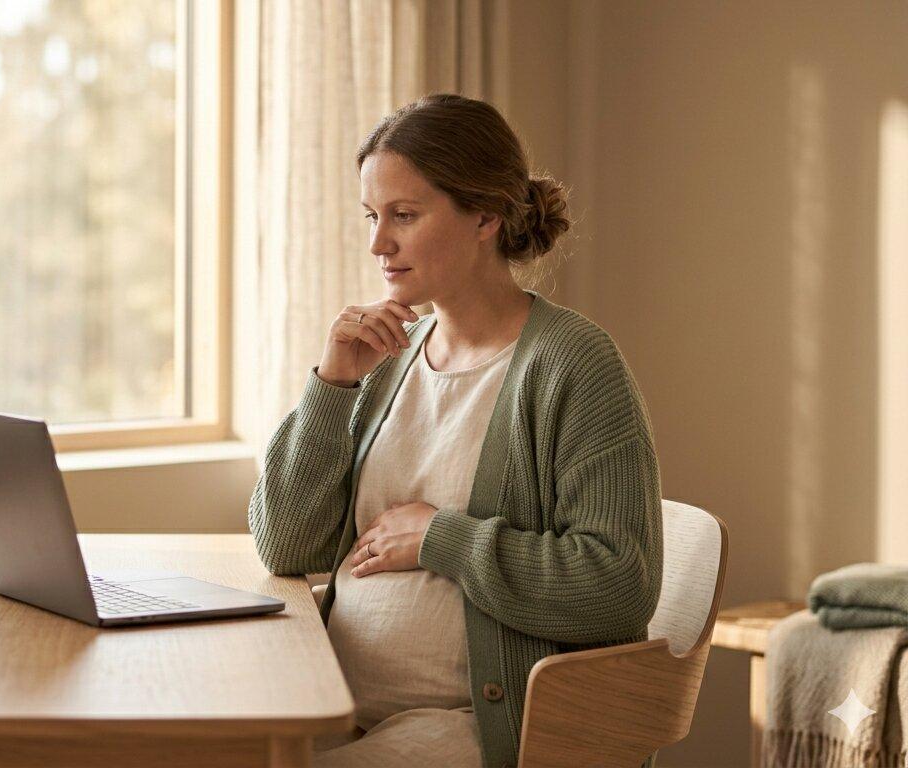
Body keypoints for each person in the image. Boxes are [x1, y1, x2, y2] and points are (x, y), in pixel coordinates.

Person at [247, 93, 663, 768]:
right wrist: (331, 385)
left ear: (486, 216)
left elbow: (618, 587)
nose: (378, 243)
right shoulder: (389, 354)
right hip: (331, 706)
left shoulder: (572, 364)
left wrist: (444, 538)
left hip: (477, 728)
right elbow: (286, 543)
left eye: (404, 216)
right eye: (373, 217)